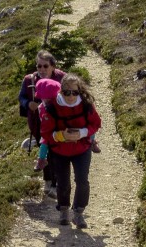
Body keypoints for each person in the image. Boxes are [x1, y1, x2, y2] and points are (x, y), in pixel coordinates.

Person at [39, 73, 102, 228]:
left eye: (75, 92)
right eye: (67, 92)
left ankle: (78, 213)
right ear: (61, 91)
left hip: (81, 148)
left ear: (80, 92)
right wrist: (61, 136)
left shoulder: (86, 104)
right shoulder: (52, 106)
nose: (71, 96)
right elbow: (45, 132)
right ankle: (64, 210)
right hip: (59, 151)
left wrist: (81, 133)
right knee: (63, 183)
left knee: (82, 181)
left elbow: (96, 123)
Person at [19, 51, 65, 198]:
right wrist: (28, 103)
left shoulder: (62, 78)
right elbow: (21, 97)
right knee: (43, 151)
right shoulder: (29, 81)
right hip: (37, 123)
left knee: (57, 152)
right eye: (39, 66)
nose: (42, 69)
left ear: (53, 66)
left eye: (45, 66)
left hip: (59, 123)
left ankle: (56, 184)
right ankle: (48, 180)